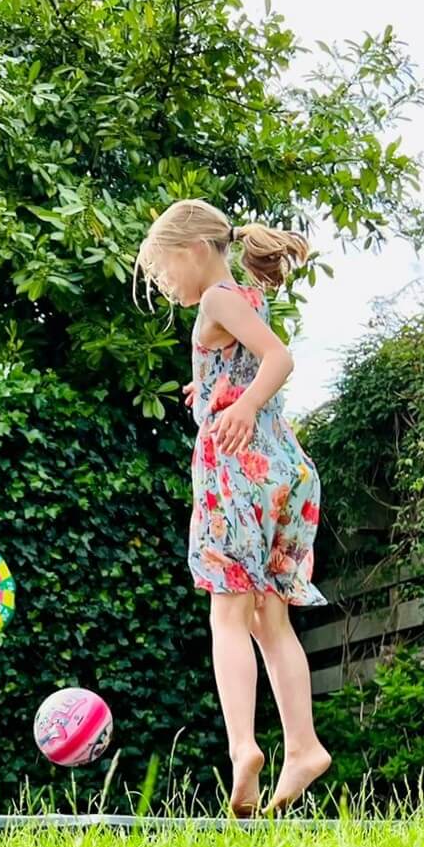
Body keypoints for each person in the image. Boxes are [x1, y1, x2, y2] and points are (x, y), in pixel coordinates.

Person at [136, 199, 331, 815]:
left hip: (237, 470)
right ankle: (302, 745)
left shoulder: (219, 297)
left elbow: (279, 359)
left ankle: (243, 746)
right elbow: (246, 361)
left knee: (228, 614)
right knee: (268, 619)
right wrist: (218, 388)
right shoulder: (245, 297)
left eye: (164, 270)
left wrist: (239, 407)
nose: (165, 285)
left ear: (195, 248)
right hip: (284, 472)